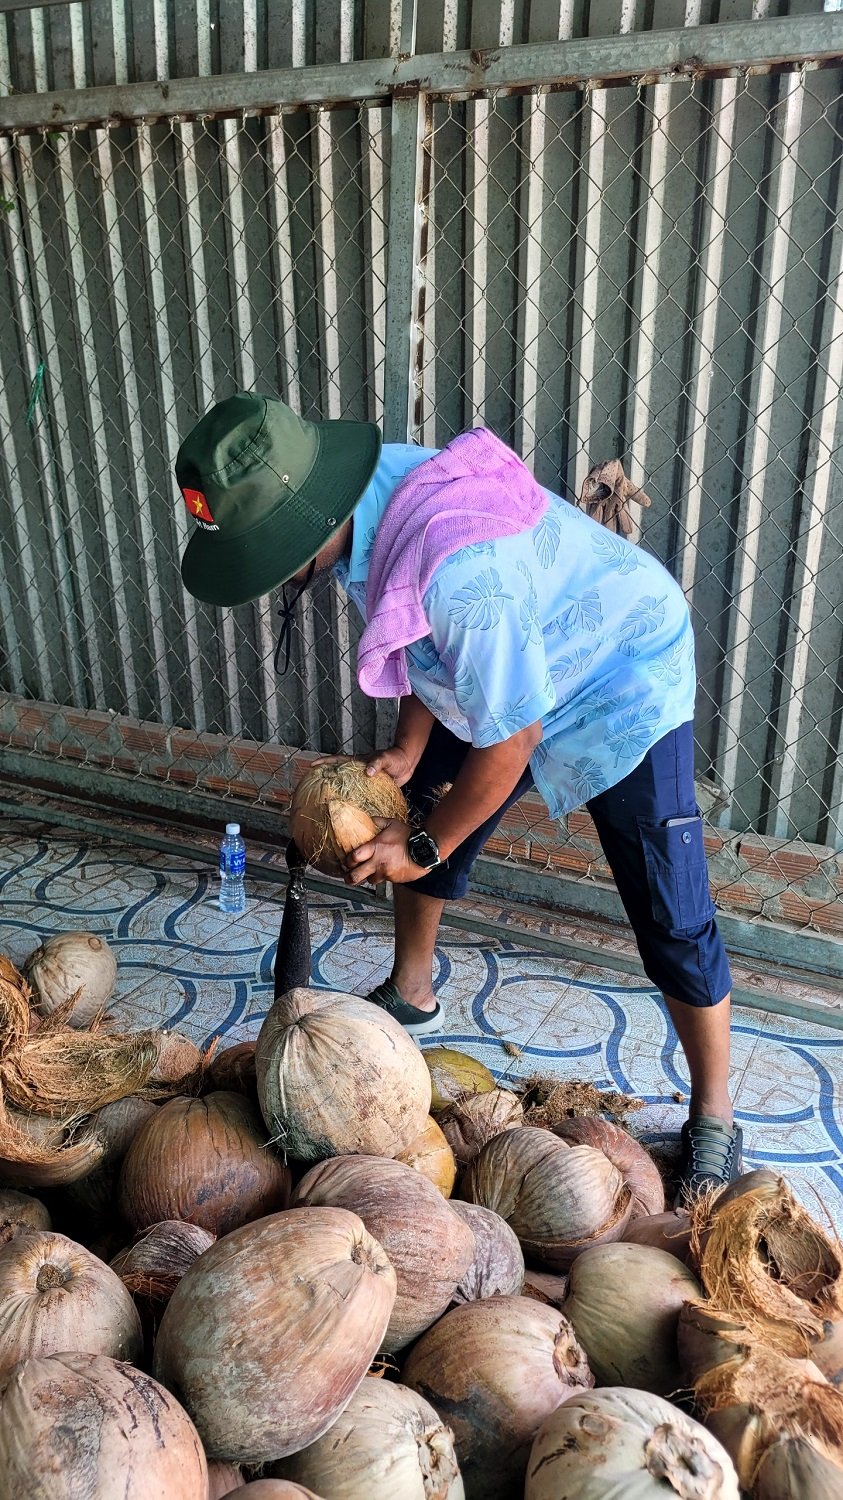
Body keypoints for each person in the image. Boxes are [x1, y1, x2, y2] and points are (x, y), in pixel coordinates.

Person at [175, 391, 742, 1202]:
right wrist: (411, 748)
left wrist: (427, 845)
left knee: (668, 906)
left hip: (620, 668)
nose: (270, 578)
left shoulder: (457, 569)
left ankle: (714, 1115)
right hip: (513, 651)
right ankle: (411, 992)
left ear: (308, 519)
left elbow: (510, 736)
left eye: (270, 555)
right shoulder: (364, 509)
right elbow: (418, 638)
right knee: (417, 800)